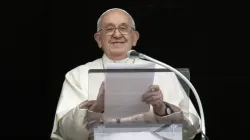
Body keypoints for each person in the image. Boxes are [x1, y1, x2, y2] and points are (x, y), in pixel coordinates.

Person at [50, 8, 201, 140]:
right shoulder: (77, 75)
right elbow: (66, 133)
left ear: (134, 38)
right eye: (109, 29)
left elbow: (191, 130)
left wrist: (162, 109)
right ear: (98, 40)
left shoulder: (164, 72)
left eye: (123, 28)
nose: (117, 34)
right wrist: (96, 107)